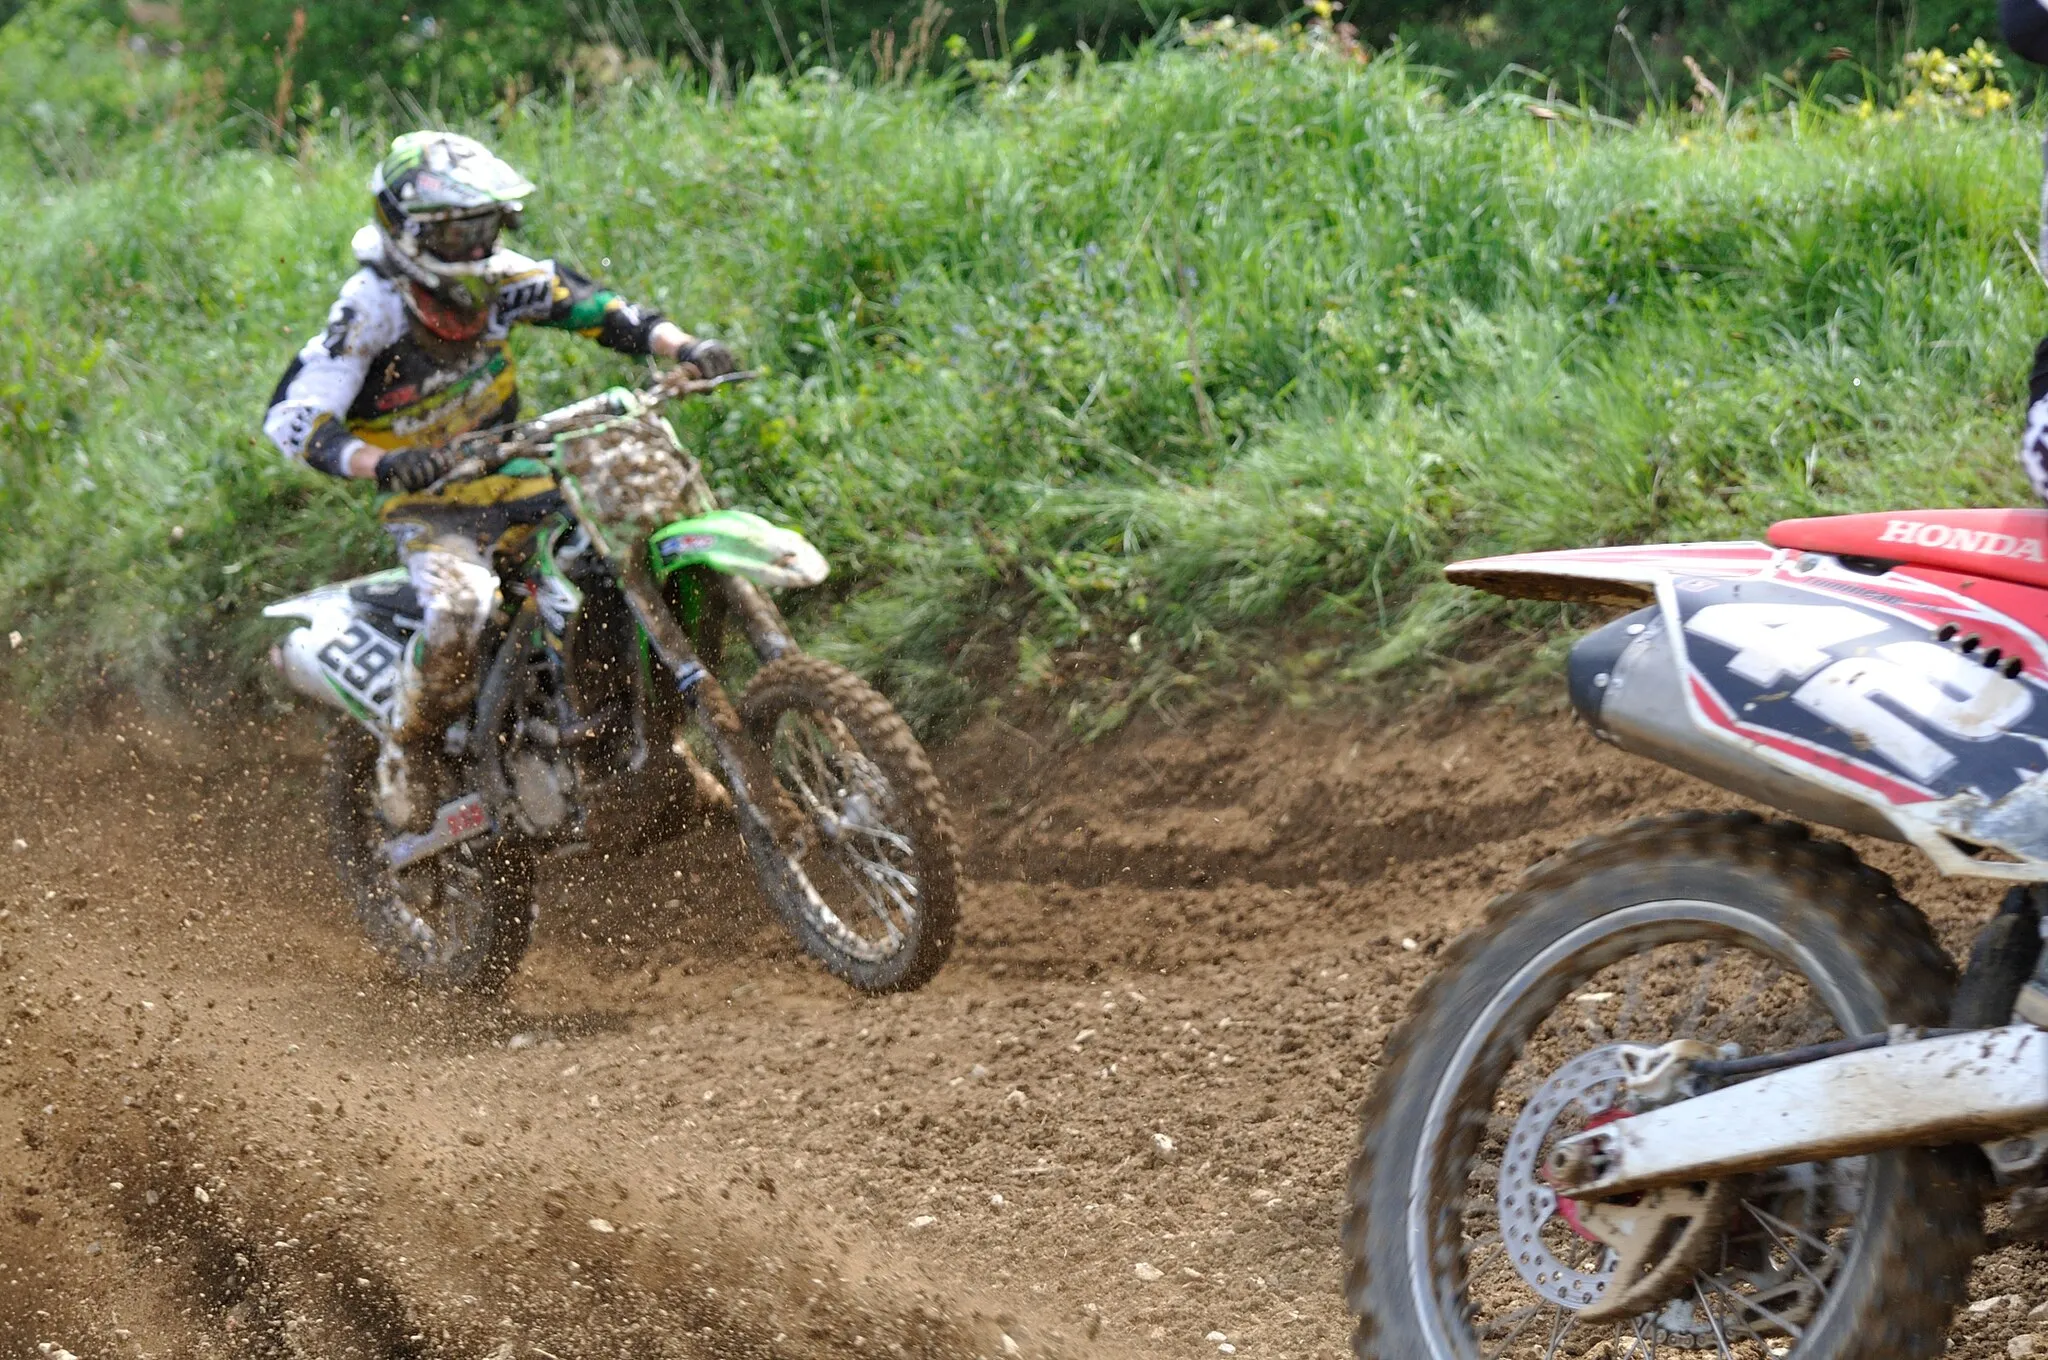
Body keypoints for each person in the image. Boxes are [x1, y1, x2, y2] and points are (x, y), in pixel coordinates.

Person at [264, 130, 734, 830]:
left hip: (523, 477)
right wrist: (384, 462)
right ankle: (408, 747)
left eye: (485, 226)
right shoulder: (372, 309)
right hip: (435, 504)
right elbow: (294, 418)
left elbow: (594, 305)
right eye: (459, 232)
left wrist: (685, 347)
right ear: (412, 231)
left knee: (624, 559)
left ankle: (643, 749)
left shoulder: (498, 281)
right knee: (460, 612)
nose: (475, 246)